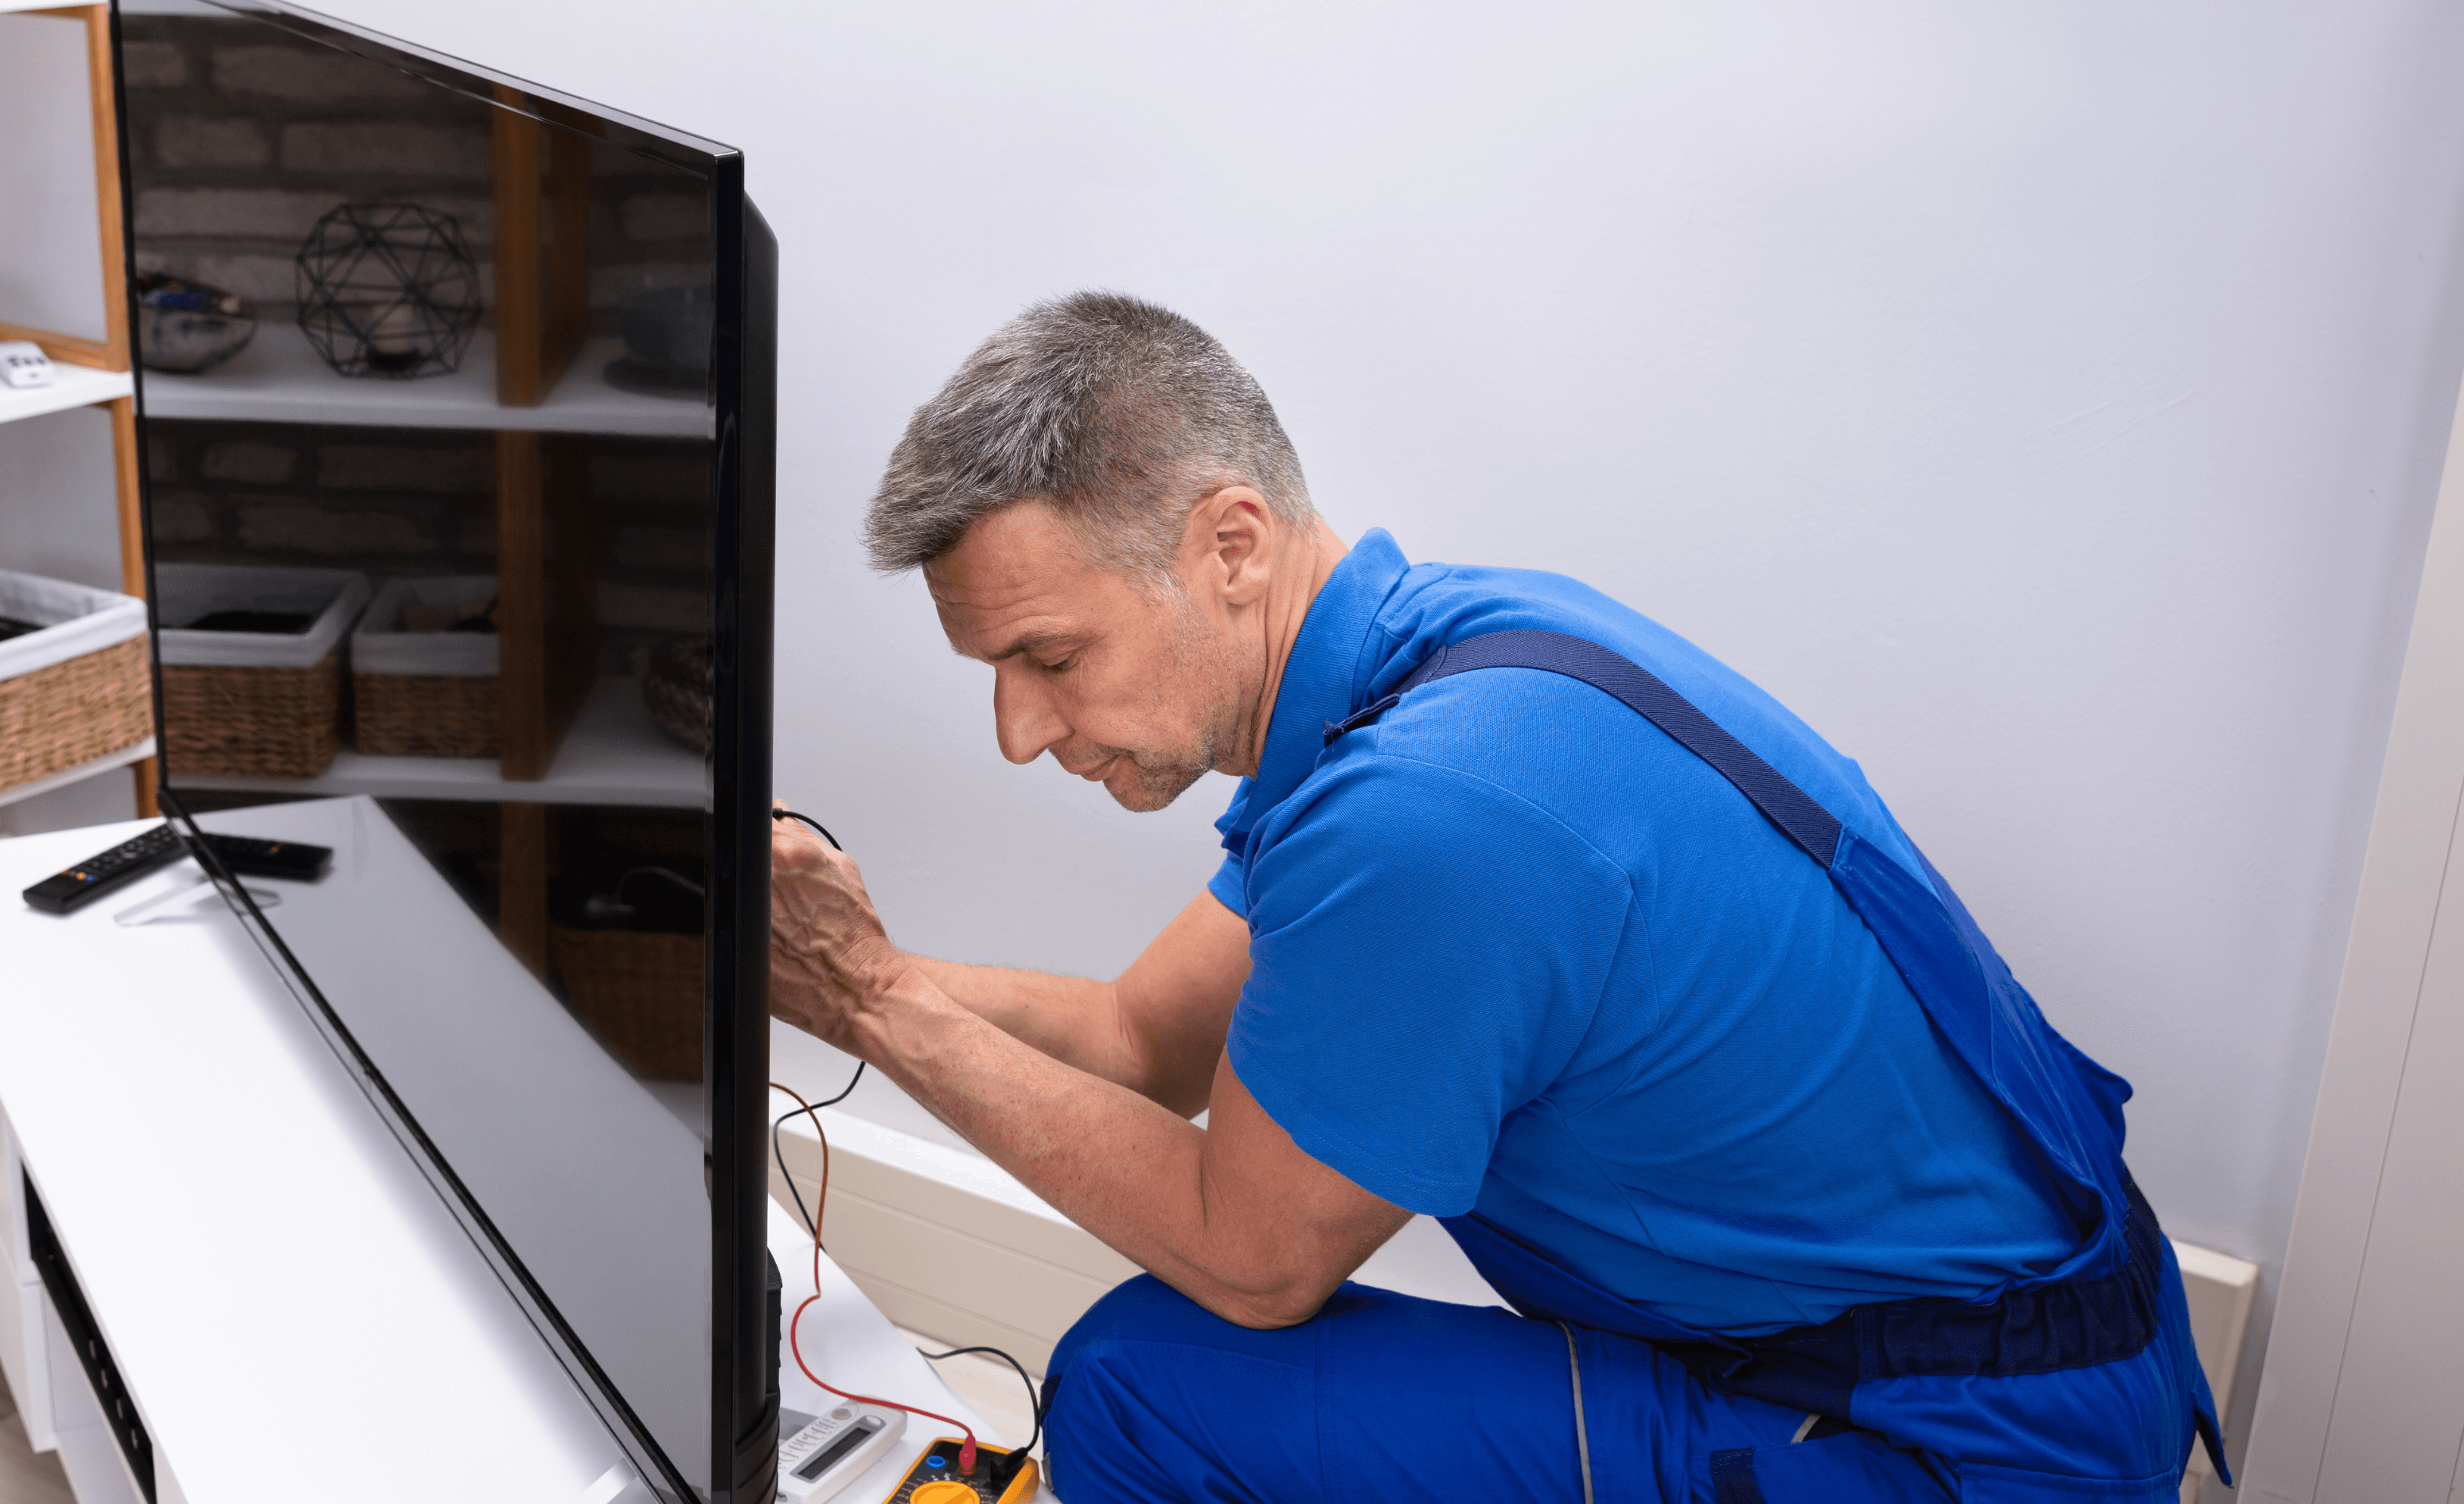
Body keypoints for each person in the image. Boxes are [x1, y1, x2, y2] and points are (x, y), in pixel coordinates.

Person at [765, 292, 2226, 1502]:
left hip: (1966, 1449)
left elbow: (1249, 1258)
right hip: (2008, 1353)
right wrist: (827, 963)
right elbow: (1146, 1040)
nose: (1019, 732)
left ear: (1228, 544)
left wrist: (877, 1003)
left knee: (1147, 1389)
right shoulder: (1435, 666)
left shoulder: (1428, 821)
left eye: (1050, 657)